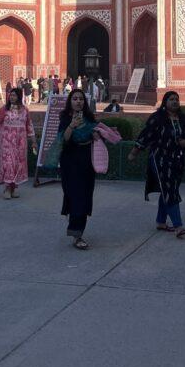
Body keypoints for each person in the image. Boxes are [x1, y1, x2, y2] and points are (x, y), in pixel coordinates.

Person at [128, 91, 185, 238]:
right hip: (160, 158)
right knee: (170, 190)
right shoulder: (157, 118)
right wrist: (134, 152)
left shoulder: (184, 119)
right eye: (171, 99)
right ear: (165, 102)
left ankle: (160, 221)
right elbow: (146, 135)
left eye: (177, 99)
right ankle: (178, 226)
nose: (174, 101)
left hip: (177, 159)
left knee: (168, 189)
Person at [56, 89, 101, 249]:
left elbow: (96, 134)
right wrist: (72, 126)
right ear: (70, 101)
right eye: (75, 98)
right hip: (70, 162)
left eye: (81, 99)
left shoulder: (89, 118)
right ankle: (76, 232)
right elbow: (63, 139)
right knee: (74, 196)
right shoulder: (65, 118)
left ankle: (78, 233)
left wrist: (97, 135)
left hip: (87, 162)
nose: (78, 101)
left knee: (85, 196)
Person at [0, 87, 37, 199]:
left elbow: (29, 126)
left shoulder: (25, 110)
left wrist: (33, 141)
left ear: (19, 96)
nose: (12, 97)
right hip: (7, 142)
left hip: (21, 142)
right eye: (11, 95)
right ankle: (7, 188)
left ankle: (14, 188)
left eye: (14, 95)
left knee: (18, 164)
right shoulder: (4, 109)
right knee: (9, 163)